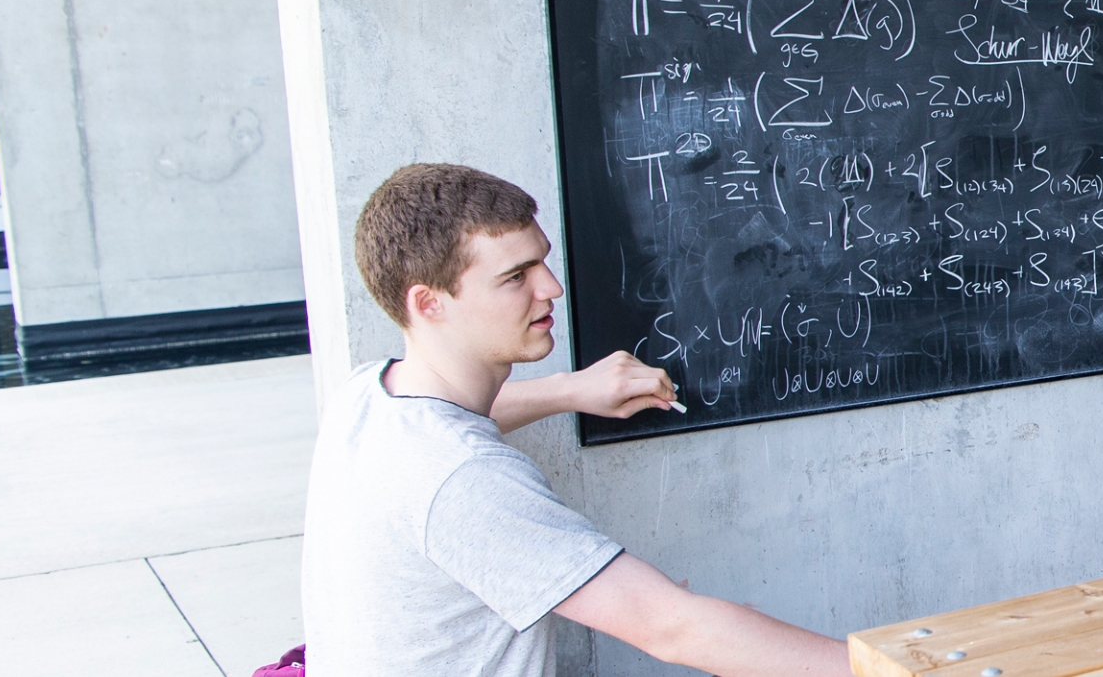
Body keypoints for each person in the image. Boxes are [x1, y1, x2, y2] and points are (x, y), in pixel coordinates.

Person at [301, 164, 846, 676]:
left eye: (542, 260)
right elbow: (671, 627)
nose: (551, 289)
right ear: (429, 303)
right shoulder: (466, 480)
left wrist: (568, 389)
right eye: (515, 277)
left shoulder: (368, 396)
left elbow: (457, 425)